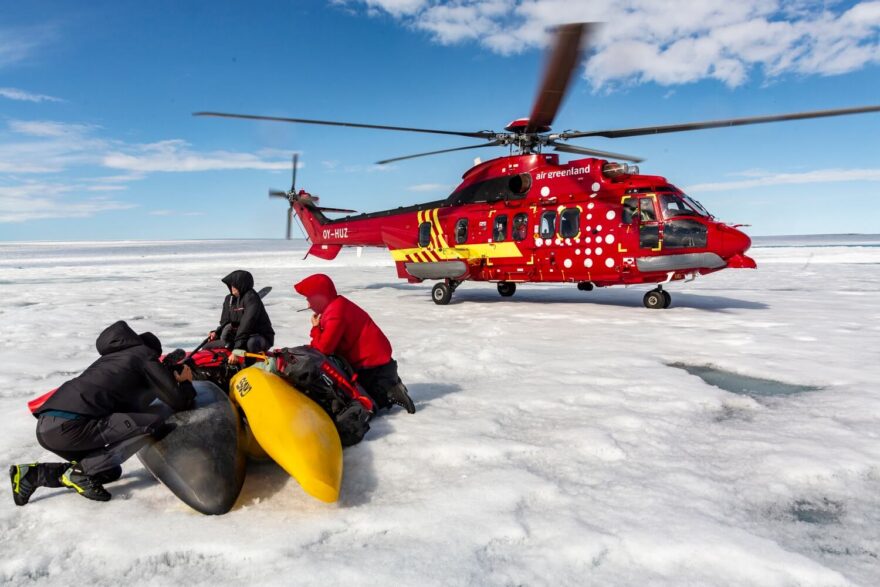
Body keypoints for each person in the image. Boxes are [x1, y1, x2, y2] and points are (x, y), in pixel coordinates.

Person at [9, 321, 195, 505]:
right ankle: (79, 474)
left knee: (107, 471)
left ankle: (32, 475)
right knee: (153, 423)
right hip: (70, 426)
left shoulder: (111, 359)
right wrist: (185, 381)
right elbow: (179, 402)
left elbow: (125, 404)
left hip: (47, 427)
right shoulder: (143, 354)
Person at [293, 274, 415, 414]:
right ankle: (391, 385)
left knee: (369, 406)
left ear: (319, 297)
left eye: (309, 299)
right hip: (373, 358)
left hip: (370, 361)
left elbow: (324, 348)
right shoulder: (336, 305)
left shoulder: (335, 313)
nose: (308, 304)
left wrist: (315, 328)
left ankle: (390, 390)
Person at [207, 269, 275, 354]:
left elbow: (247, 323)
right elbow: (225, 322)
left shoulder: (252, 298)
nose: (232, 287)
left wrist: (238, 347)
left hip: (259, 336)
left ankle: (251, 365)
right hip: (238, 336)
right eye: (231, 285)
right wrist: (216, 333)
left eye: (234, 285)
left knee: (250, 344)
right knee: (208, 346)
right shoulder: (229, 299)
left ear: (241, 284)